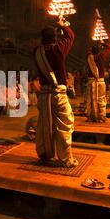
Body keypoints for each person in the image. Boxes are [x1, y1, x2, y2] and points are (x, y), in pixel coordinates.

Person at [34, 20, 78, 168]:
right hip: (58, 96)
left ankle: (44, 155)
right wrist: (62, 24)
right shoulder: (58, 50)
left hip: (44, 96)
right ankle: (65, 158)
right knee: (64, 127)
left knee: (43, 126)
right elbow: (70, 35)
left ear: (41, 39)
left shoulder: (36, 52)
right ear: (55, 39)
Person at [85, 42, 110, 122]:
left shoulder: (89, 57)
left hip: (91, 81)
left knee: (90, 99)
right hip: (100, 81)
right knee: (101, 99)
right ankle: (101, 116)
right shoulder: (101, 56)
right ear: (99, 51)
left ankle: (91, 116)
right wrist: (103, 43)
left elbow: (88, 52)